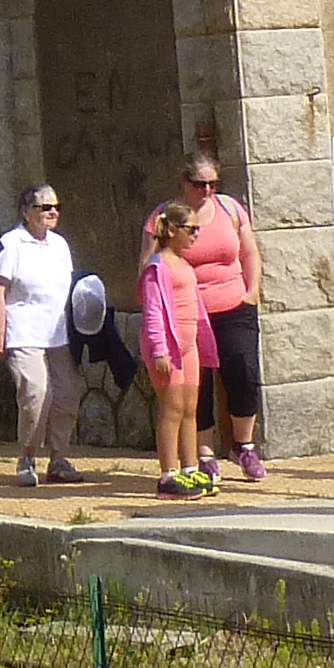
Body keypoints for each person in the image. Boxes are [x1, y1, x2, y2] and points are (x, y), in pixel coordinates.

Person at [164, 154, 270, 485]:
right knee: (200, 383)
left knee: (244, 370)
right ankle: (205, 452)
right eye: (199, 184)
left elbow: (249, 251)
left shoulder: (230, 210)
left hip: (234, 303)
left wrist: (251, 291)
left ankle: (243, 446)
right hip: (191, 311)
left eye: (213, 183)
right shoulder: (169, 217)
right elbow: (152, 264)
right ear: (184, 182)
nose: (207, 190)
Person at [0, 184, 82, 487]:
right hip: (23, 330)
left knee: (66, 395)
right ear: (26, 212)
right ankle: (27, 457)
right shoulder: (11, 243)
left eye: (55, 206)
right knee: (35, 393)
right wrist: (0, 333)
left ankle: (59, 460)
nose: (52, 212)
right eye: (44, 207)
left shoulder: (59, 245)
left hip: (58, 331)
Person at [138, 202, 211, 494]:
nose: (196, 235)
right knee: (172, 408)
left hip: (189, 344)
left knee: (191, 408)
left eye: (198, 229)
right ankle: (168, 474)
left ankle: (190, 467)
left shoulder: (185, 263)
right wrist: (159, 350)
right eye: (190, 229)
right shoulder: (157, 266)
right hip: (168, 346)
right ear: (171, 230)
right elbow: (153, 310)